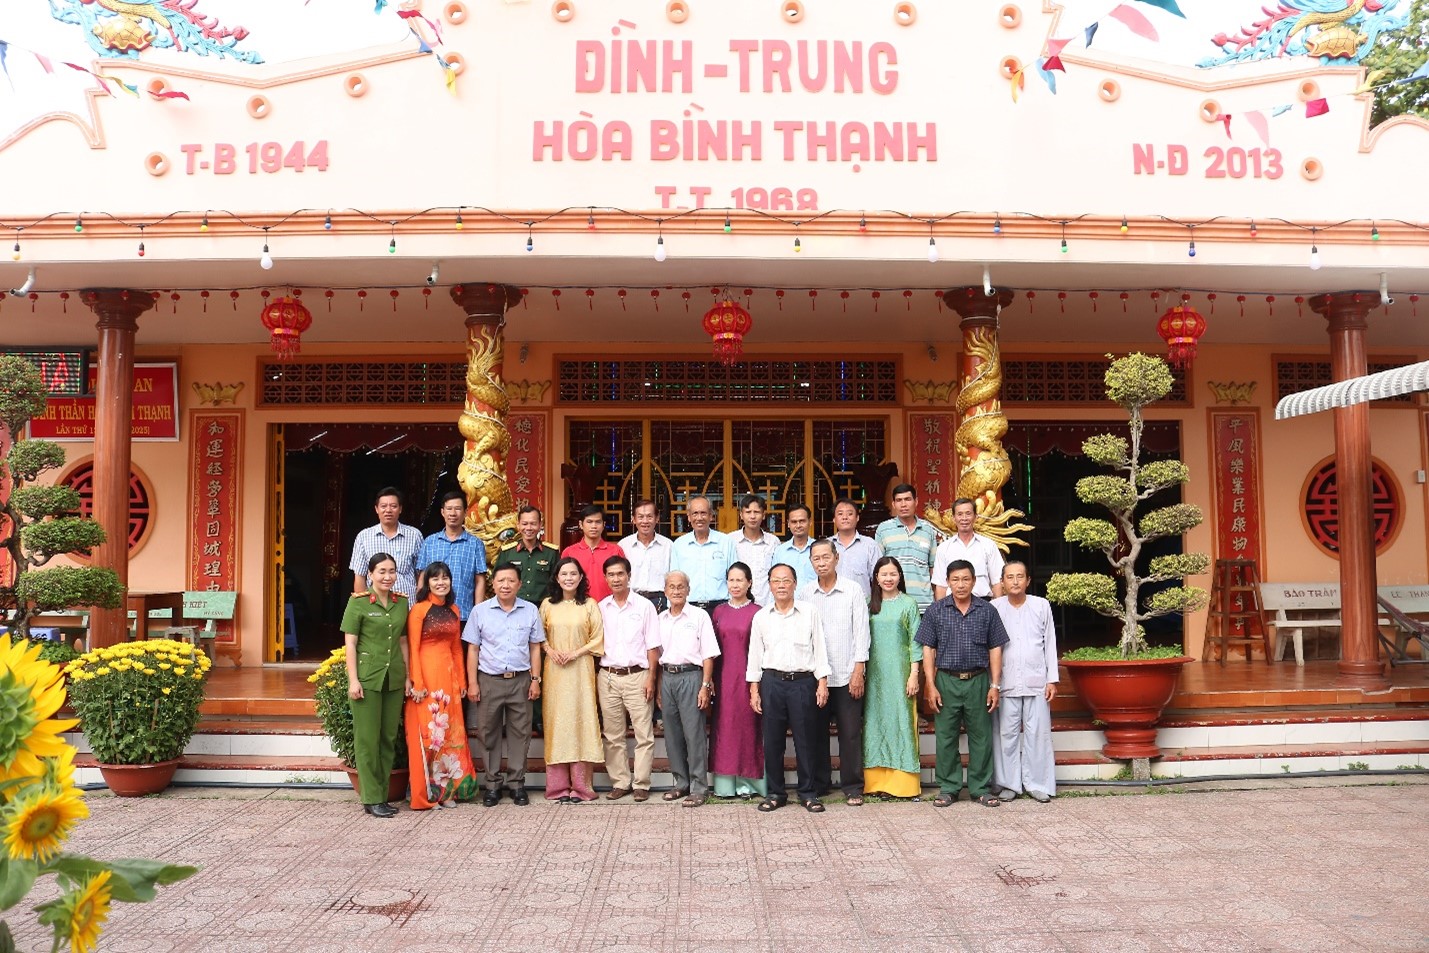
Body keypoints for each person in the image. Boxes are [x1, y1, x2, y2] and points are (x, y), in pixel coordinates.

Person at [917, 560, 1009, 808]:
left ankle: (980, 788)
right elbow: (928, 649)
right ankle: (949, 788)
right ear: (947, 582)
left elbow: (996, 648)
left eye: (966, 579)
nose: (960, 584)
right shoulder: (936, 610)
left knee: (981, 737)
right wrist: (930, 685)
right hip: (946, 681)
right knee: (946, 737)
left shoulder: (987, 610)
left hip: (978, 680)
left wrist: (995, 685)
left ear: (974, 581)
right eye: (955, 579)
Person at [747, 563, 831, 814]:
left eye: (786, 580)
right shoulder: (762, 616)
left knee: (806, 739)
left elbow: (820, 647)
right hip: (772, 682)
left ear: (795, 584)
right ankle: (775, 793)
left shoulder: (809, 612)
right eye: (776, 581)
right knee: (773, 741)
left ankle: (808, 793)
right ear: (769, 585)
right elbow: (754, 655)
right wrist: (754, 690)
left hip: (803, 683)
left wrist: (822, 682)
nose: (781, 585)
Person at [463, 564, 545, 807]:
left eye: (511, 581)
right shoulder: (480, 611)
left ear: (519, 584)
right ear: (493, 584)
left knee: (521, 733)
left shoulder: (530, 610)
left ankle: (517, 783)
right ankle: (492, 785)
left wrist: (535, 680)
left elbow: (535, 647)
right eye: (501, 581)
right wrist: (472, 683)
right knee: (488, 732)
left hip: (521, 680)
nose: (505, 585)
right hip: (489, 680)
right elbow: (473, 649)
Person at [341, 552, 411, 818]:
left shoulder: (401, 602)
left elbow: (402, 641)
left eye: (392, 571)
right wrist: (353, 680)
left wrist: (407, 676)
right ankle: (371, 798)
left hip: (393, 677)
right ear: (370, 574)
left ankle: (382, 795)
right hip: (368, 678)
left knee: (388, 738)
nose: (387, 576)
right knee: (367, 739)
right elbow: (350, 643)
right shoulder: (358, 602)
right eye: (382, 571)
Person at [800, 539, 870, 804]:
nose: (821, 563)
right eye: (816, 559)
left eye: (826, 557)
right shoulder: (805, 593)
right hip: (816, 676)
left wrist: (858, 670)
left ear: (836, 558)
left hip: (846, 673)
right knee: (816, 732)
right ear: (811, 562)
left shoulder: (852, 590)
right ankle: (820, 782)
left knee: (849, 733)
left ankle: (852, 786)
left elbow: (861, 632)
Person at [404, 561, 478, 809]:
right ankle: (427, 793)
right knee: (430, 734)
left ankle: (447, 792)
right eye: (435, 578)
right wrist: (417, 682)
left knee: (450, 733)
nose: (441, 582)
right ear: (427, 583)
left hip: (449, 679)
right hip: (427, 676)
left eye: (445, 577)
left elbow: (457, 648)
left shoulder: (454, 609)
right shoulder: (419, 610)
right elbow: (413, 648)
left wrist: (462, 681)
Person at [990, 561, 1059, 804]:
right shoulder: (994, 608)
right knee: (1005, 735)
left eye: (1020, 576)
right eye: (1010, 577)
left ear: (1028, 580)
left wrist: (1052, 679)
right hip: (1005, 681)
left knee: (1037, 734)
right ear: (1002, 582)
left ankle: (1037, 783)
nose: (1015, 581)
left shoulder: (1041, 605)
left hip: (1036, 680)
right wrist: (992, 683)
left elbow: (1050, 642)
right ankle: (1009, 784)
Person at [538, 556, 605, 802]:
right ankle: (557, 788)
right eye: (564, 574)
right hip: (554, 671)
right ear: (556, 578)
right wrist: (549, 650)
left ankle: (581, 787)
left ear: (581, 577)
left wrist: (575, 653)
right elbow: (539, 635)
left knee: (581, 722)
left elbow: (597, 638)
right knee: (557, 723)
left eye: (573, 574)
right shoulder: (547, 605)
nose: (569, 578)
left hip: (580, 670)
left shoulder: (589, 605)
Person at [655, 570, 721, 807]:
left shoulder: (699, 616)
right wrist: (658, 685)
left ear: (688, 590)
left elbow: (708, 654)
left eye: (681, 586)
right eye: (672, 587)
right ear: (665, 591)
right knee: (672, 735)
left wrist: (705, 685)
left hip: (692, 677)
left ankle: (699, 787)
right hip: (668, 677)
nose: (676, 591)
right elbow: (657, 655)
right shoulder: (660, 619)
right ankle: (680, 782)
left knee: (694, 735)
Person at [597, 555, 660, 802]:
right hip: (609, 677)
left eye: (620, 574)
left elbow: (653, 646)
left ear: (629, 576)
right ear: (605, 578)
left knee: (644, 733)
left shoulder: (644, 606)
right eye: (611, 575)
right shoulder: (601, 608)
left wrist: (651, 678)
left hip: (638, 676)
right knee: (613, 734)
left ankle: (641, 783)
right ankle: (620, 782)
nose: (616, 579)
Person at [863, 556, 923, 799]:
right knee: (874, 724)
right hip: (873, 677)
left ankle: (903, 784)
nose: (888, 578)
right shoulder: (868, 604)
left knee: (901, 723)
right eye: (884, 574)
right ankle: (876, 782)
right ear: (876, 578)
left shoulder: (909, 604)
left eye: (893, 574)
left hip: (901, 675)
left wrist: (914, 674)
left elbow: (916, 642)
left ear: (900, 576)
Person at [709, 562, 766, 799]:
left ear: (749, 583)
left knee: (748, 727)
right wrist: (710, 679)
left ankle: (749, 784)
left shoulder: (758, 612)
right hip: (723, 678)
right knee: (725, 728)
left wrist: (757, 683)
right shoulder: (719, 612)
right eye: (731, 580)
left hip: (749, 678)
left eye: (739, 580)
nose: (735, 585)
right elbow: (712, 648)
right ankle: (724, 785)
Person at [416, 490, 487, 617]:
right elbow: (422, 577)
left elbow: (480, 581)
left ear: (465, 512)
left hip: (464, 613)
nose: (453, 513)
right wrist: (420, 608)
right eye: (449, 509)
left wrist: (478, 614)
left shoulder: (475, 544)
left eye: (458, 509)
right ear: (442, 512)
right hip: (432, 614)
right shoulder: (430, 542)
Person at [874, 483, 940, 611]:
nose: (903, 504)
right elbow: (878, 568)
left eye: (907, 499)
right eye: (899, 500)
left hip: (923, 604)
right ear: (893, 504)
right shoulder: (883, 529)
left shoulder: (928, 529)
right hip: (893, 603)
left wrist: (937, 603)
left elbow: (933, 569)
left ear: (916, 501)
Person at [350, 487, 424, 599]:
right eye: (383, 506)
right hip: (375, 605)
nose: (388, 510)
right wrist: (363, 606)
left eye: (393, 506)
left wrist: (420, 603)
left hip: (407, 603)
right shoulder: (364, 536)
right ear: (376, 509)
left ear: (400, 509)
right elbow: (360, 576)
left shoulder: (414, 535)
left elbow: (421, 573)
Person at [669, 495, 736, 614]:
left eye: (703, 513)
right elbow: (673, 580)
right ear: (689, 517)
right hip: (688, 607)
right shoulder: (679, 545)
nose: (699, 518)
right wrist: (673, 608)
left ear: (711, 516)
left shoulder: (725, 542)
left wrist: (733, 607)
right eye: (695, 513)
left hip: (720, 607)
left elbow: (735, 577)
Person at [932, 498, 1005, 600]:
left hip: (982, 603)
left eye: (968, 513)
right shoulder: (943, 548)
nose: (964, 518)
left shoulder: (988, 545)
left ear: (975, 517)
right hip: (952, 604)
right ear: (954, 518)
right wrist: (941, 609)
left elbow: (997, 582)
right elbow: (940, 586)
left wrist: (997, 606)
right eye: (960, 514)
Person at [494, 505, 560, 606]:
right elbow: (497, 580)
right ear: (518, 525)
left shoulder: (551, 553)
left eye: (533, 524)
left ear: (540, 525)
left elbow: (558, 582)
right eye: (524, 524)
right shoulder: (507, 552)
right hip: (513, 607)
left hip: (542, 607)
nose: (528, 528)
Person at [561, 504, 624, 602]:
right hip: (578, 605)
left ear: (604, 525)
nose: (594, 526)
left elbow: (623, 580)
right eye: (589, 522)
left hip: (609, 605)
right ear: (581, 524)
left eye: (598, 522)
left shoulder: (615, 551)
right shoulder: (569, 552)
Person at [619, 498, 673, 611]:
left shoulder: (668, 545)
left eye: (649, 516)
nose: (645, 521)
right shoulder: (624, 545)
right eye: (640, 517)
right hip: (631, 599)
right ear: (633, 519)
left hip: (660, 600)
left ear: (657, 518)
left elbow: (673, 576)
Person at [733, 494, 781, 606]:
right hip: (739, 604)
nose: (752, 516)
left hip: (767, 604)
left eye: (757, 512)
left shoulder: (773, 542)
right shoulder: (731, 540)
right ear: (741, 515)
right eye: (748, 512)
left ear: (763, 515)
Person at [830, 498, 881, 598]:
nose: (845, 517)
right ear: (834, 519)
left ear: (857, 517)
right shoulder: (826, 545)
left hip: (862, 603)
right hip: (831, 603)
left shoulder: (870, 545)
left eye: (850, 514)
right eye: (840, 514)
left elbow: (879, 578)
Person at [772, 501, 817, 589]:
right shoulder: (780, 551)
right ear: (788, 524)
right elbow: (774, 579)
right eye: (794, 522)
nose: (798, 525)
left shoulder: (819, 549)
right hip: (787, 597)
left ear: (810, 522)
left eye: (802, 521)